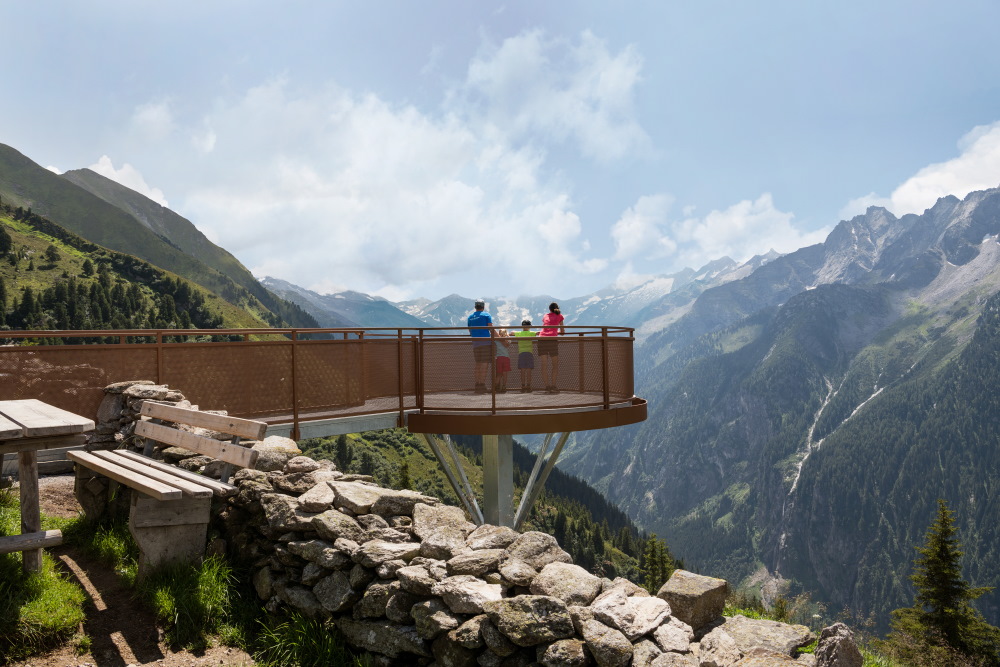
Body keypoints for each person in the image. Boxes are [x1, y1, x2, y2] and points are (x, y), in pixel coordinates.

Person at [467, 299, 493, 394]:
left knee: (478, 364)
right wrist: (499, 338)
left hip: (475, 343)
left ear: (475, 307)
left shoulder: (470, 317)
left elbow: (470, 331)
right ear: (483, 306)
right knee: (484, 364)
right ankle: (482, 385)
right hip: (485, 343)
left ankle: (477, 385)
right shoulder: (486, 315)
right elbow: (491, 328)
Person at [538, 302, 564, 394]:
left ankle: (547, 386)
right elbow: (563, 331)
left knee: (544, 365)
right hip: (552, 340)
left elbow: (544, 327)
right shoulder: (560, 316)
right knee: (555, 365)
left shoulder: (545, 315)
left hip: (542, 339)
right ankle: (553, 385)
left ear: (549, 309)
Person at [514, 319, 537, 393]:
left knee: (523, 370)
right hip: (529, 353)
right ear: (529, 326)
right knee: (529, 370)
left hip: (521, 353)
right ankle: (529, 386)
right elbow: (539, 333)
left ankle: (523, 386)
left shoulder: (519, 333)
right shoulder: (531, 333)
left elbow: (511, 333)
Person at [494, 329, 513, 393]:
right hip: (506, 357)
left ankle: (495, 386)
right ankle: (504, 386)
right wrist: (508, 336)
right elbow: (508, 344)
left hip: (498, 358)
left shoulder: (496, 340)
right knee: (505, 374)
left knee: (499, 374)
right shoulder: (507, 339)